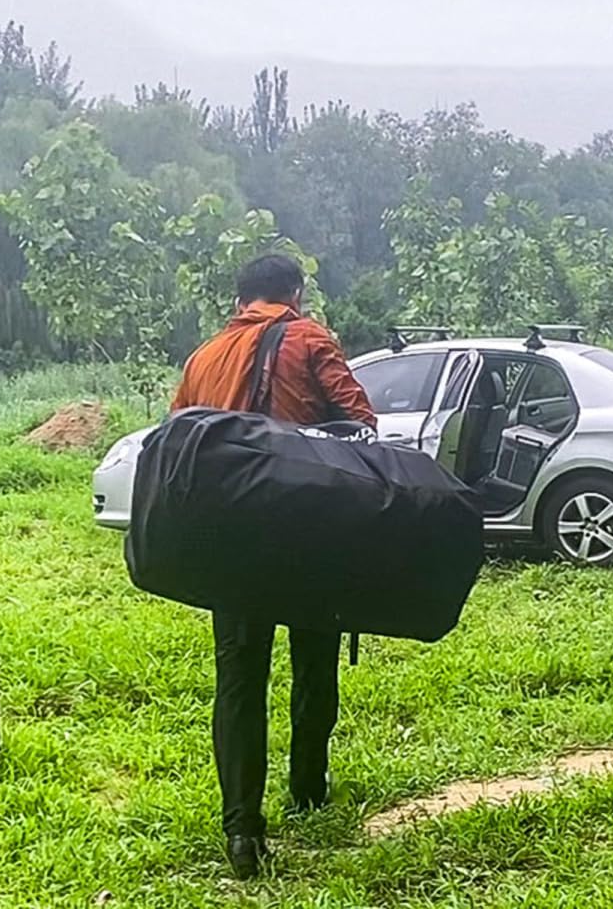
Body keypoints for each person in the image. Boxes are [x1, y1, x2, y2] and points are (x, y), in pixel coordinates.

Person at [171, 253, 377, 880]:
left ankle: (242, 830)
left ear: (240, 301)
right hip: (305, 532)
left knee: (238, 682)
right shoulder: (311, 338)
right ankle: (308, 790)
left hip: (230, 540)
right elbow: (360, 422)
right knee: (314, 662)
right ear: (294, 293)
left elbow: (178, 435)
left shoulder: (202, 358)